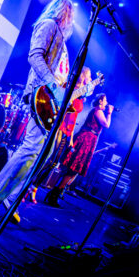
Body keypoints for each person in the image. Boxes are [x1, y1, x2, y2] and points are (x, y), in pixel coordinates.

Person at [0, 0, 74, 230]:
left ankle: (10, 198)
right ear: (62, 11)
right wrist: (51, 84)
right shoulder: (49, 25)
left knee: (42, 154)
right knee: (31, 149)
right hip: (40, 95)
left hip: (49, 98)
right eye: (69, 12)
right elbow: (34, 56)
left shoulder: (60, 37)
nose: (71, 18)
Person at [27, 66, 92, 204]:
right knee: (48, 159)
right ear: (83, 76)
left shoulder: (81, 94)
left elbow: (73, 117)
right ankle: (29, 184)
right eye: (88, 76)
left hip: (66, 130)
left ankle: (34, 186)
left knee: (54, 163)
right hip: (58, 125)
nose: (89, 79)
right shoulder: (69, 86)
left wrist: (71, 137)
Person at [44, 93, 114, 207]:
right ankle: (54, 193)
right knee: (73, 168)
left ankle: (55, 192)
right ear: (100, 101)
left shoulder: (96, 110)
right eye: (105, 100)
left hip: (88, 139)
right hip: (85, 140)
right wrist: (110, 113)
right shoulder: (98, 111)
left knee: (73, 169)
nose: (106, 103)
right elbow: (106, 124)